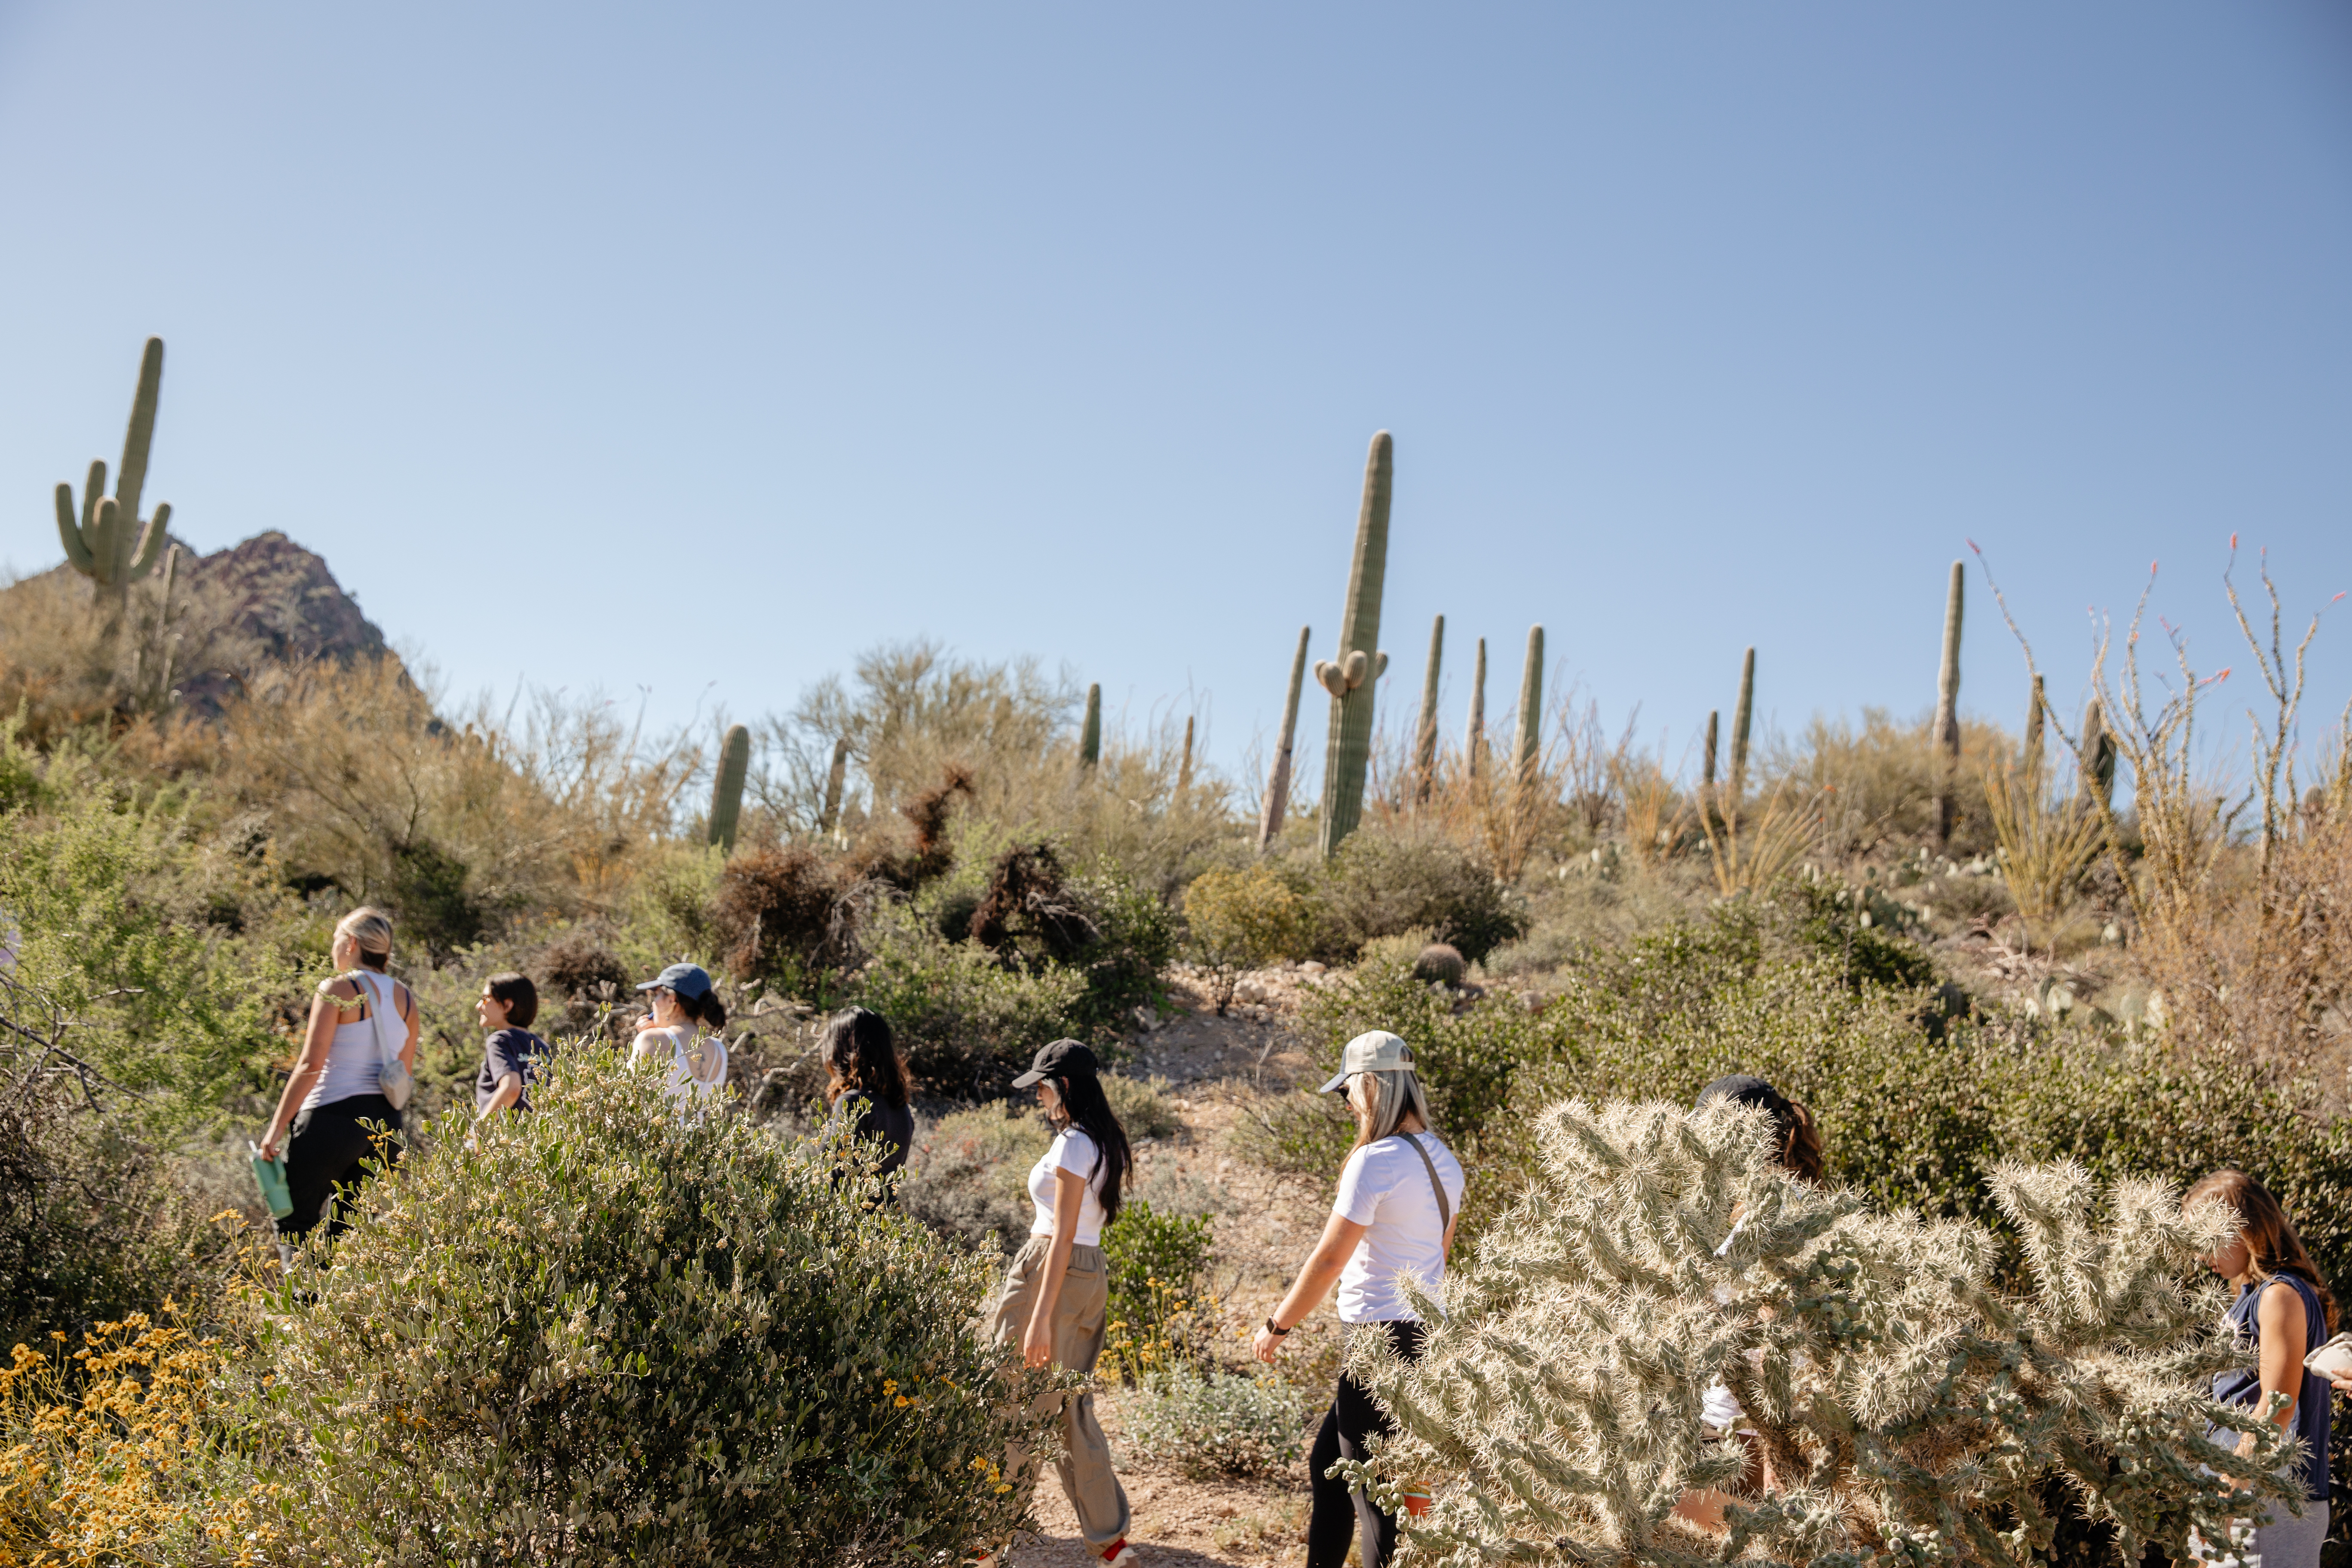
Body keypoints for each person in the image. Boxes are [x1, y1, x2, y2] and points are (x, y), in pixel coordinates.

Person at [1253, 1030, 1464, 1568]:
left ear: (1371, 1086)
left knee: (1378, 1505)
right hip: (1425, 1336)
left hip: (1377, 1341)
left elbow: (1329, 1261)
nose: (1345, 1102)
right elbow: (1439, 1255)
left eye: (1346, 1090)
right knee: (1331, 1467)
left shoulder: (1375, 1161)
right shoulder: (1444, 1159)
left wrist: (1277, 1326)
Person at [986, 1038, 1137, 1568]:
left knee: (1011, 1402)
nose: (1038, 1098)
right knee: (1069, 1405)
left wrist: (1040, 1319)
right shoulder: (1106, 1139)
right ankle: (1111, 1544)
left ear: (1065, 1086)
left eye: (1043, 1087)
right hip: (1088, 1273)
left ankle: (985, 1540)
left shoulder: (1075, 1143)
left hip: (1053, 1268)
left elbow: (1064, 1231)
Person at [1674, 1073, 1824, 1532]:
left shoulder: (1765, 1213)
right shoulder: (1799, 1201)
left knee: (1683, 1529)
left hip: (1733, 1425)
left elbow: (1750, 1313)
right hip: (1764, 1421)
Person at [2185, 1169, 2337, 1568]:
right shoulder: (2253, 1296)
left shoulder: (2279, 1295)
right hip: (2239, 1493)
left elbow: (2277, 1408)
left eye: (2208, 1238)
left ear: (2246, 1230)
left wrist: (2226, 1499)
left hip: (2267, 1500)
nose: (2200, 1254)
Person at [258, 907, 418, 1255]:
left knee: (296, 1223)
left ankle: (303, 1307)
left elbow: (310, 1065)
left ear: (352, 943)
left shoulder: (338, 988)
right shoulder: (406, 998)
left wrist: (274, 1130)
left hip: (333, 1119)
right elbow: (402, 1075)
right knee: (348, 1237)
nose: (333, 950)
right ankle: (340, 1309)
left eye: (336, 940)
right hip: (386, 1128)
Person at [818, 1005, 915, 1181]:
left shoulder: (851, 1102)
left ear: (840, 1048)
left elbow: (836, 1180)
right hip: (888, 1207)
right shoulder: (901, 1106)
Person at [628, 962, 729, 1109]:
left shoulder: (652, 1040)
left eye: (656, 995)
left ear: (671, 1000)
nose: (653, 1004)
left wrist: (648, 1039)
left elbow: (628, 1105)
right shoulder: (720, 1050)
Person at [472, 971, 553, 1126]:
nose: (479, 1006)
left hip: (499, 1140)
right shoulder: (543, 1047)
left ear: (507, 1005)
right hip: (534, 1143)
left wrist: (481, 1129)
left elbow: (512, 1089)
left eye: (486, 999)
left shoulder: (500, 1041)